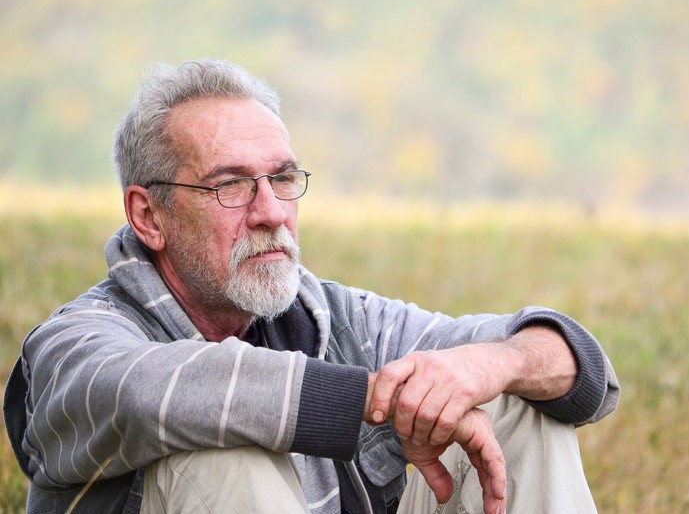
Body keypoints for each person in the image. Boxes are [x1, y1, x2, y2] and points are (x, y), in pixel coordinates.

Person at [4, 58, 619, 514]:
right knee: (222, 448)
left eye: (282, 178)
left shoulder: (333, 315)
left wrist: (497, 363)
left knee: (514, 405)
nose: (272, 210)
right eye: (231, 185)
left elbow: (583, 371)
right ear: (148, 217)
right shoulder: (76, 341)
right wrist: (374, 399)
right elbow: (149, 396)